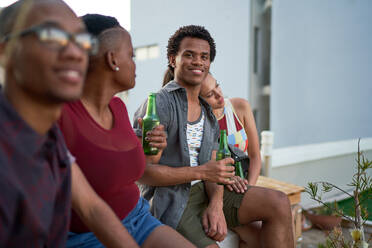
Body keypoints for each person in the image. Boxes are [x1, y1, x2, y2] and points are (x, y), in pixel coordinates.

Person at [134, 25, 294, 248]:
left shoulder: (207, 111)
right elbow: (143, 174)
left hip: (208, 192)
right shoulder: (160, 104)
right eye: (189, 55)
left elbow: (214, 166)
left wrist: (217, 205)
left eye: (204, 56)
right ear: (173, 59)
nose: (198, 61)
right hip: (175, 200)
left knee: (279, 202)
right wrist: (201, 172)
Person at [0, 1, 139, 247]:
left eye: (82, 41)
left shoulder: (45, 132)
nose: (76, 52)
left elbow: (91, 206)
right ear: (5, 52)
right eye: (52, 36)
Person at [58, 14, 195, 248]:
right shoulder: (62, 116)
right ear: (112, 59)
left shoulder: (119, 108)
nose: (135, 63)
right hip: (85, 236)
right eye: (131, 55)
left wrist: (152, 150)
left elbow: (134, 168)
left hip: (138, 218)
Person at [200, 73, 261, 188]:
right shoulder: (198, 123)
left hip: (246, 183)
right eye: (209, 94)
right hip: (215, 188)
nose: (218, 94)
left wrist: (248, 188)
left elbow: (255, 156)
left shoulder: (240, 107)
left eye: (217, 86)